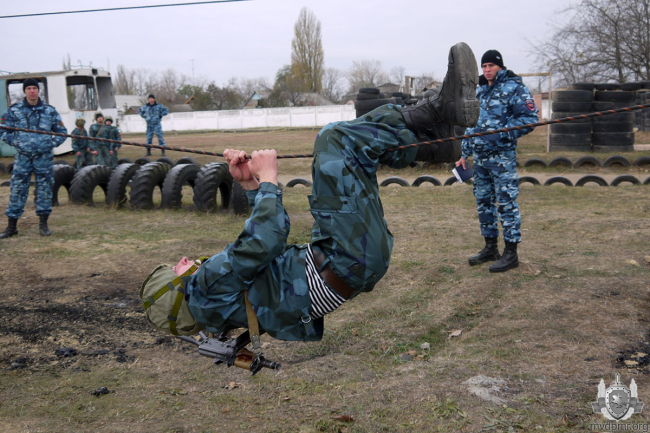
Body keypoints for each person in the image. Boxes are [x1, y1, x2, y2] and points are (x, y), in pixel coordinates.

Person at [140, 42, 480, 341]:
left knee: (354, 155)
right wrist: (268, 179)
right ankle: (436, 111)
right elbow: (266, 238)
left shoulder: (213, 306)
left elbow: (265, 251)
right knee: (334, 140)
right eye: (174, 270)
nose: (181, 261)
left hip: (352, 261)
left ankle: (438, 142)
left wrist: (250, 185)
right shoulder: (204, 287)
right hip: (346, 256)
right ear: (176, 293)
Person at [456, 50, 539, 273]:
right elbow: (471, 125)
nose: (487, 70)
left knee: (506, 203)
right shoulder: (479, 90)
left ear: (500, 66)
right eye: (484, 66)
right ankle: (490, 247)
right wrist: (464, 153)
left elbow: (530, 119)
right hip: (480, 159)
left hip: (502, 158)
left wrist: (501, 134)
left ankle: (511, 253)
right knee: (483, 203)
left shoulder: (515, 87)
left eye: (491, 65)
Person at [0, 78, 68, 238]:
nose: (32, 91)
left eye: (34, 88)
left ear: (38, 90)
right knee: (17, 189)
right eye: (29, 88)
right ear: (25, 91)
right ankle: (12, 227)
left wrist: (50, 144)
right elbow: (3, 131)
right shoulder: (14, 111)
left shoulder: (49, 111)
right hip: (23, 158)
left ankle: (43, 225)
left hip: (44, 158)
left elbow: (62, 132)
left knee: (44, 189)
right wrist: (15, 142)